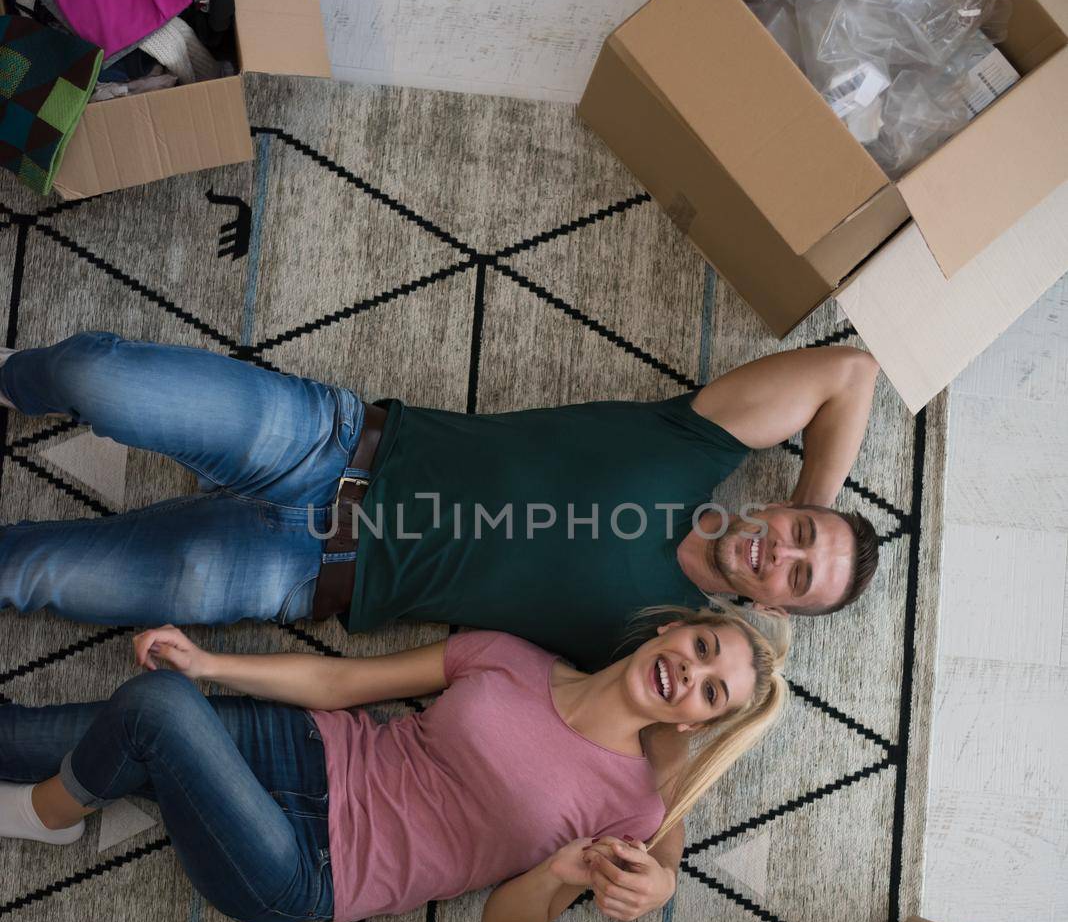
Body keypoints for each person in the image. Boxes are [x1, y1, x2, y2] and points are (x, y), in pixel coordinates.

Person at [0, 333, 880, 670]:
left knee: (39, 574)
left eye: (797, 578)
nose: (782, 553)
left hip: (299, 575)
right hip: (333, 443)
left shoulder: (665, 639)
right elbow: (850, 373)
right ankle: (14, 381)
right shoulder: (697, 445)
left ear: (774, 609)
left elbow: (656, 775)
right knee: (97, 379)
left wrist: (654, 867)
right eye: (801, 535)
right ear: (778, 509)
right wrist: (819, 499)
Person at [0, 603, 788, 922]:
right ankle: (52, 798)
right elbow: (348, 682)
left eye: (711, 691)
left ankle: (46, 816)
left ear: (694, 721)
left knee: (154, 710)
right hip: (310, 748)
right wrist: (211, 662)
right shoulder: (510, 657)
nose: (689, 673)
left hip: (311, 868)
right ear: (678, 627)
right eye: (702, 648)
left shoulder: (637, 810)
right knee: (32, 734)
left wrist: (562, 871)